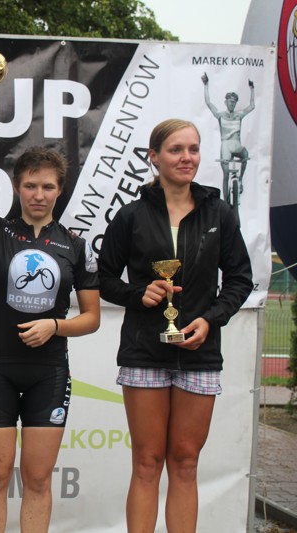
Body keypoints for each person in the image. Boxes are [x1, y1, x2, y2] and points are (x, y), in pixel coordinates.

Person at [0, 83, 100, 533]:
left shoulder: (75, 246)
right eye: (30, 185)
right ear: (17, 187)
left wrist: (55, 326)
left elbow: (91, 318)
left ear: (60, 190)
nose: (39, 194)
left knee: (37, 480)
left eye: (48, 186)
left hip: (48, 372)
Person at [98, 119, 253, 533]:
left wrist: (210, 320)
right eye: (176, 149)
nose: (187, 158)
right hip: (144, 351)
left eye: (193, 149)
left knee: (185, 462)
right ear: (154, 157)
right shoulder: (131, 216)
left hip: (200, 353)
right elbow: (105, 278)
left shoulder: (219, 212)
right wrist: (139, 294)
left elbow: (240, 280)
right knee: (147, 463)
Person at [201, 73, 255, 201]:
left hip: (236, 145)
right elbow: (208, 103)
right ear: (226, 102)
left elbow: (252, 106)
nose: (232, 104)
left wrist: (252, 88)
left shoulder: (239, 115)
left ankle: (240, 180)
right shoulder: (220, 115)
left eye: (234, 103)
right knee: (225, 174)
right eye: (230, 102)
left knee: (245, 154)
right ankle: (225, 201)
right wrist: (206, 85)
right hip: (225, 145)